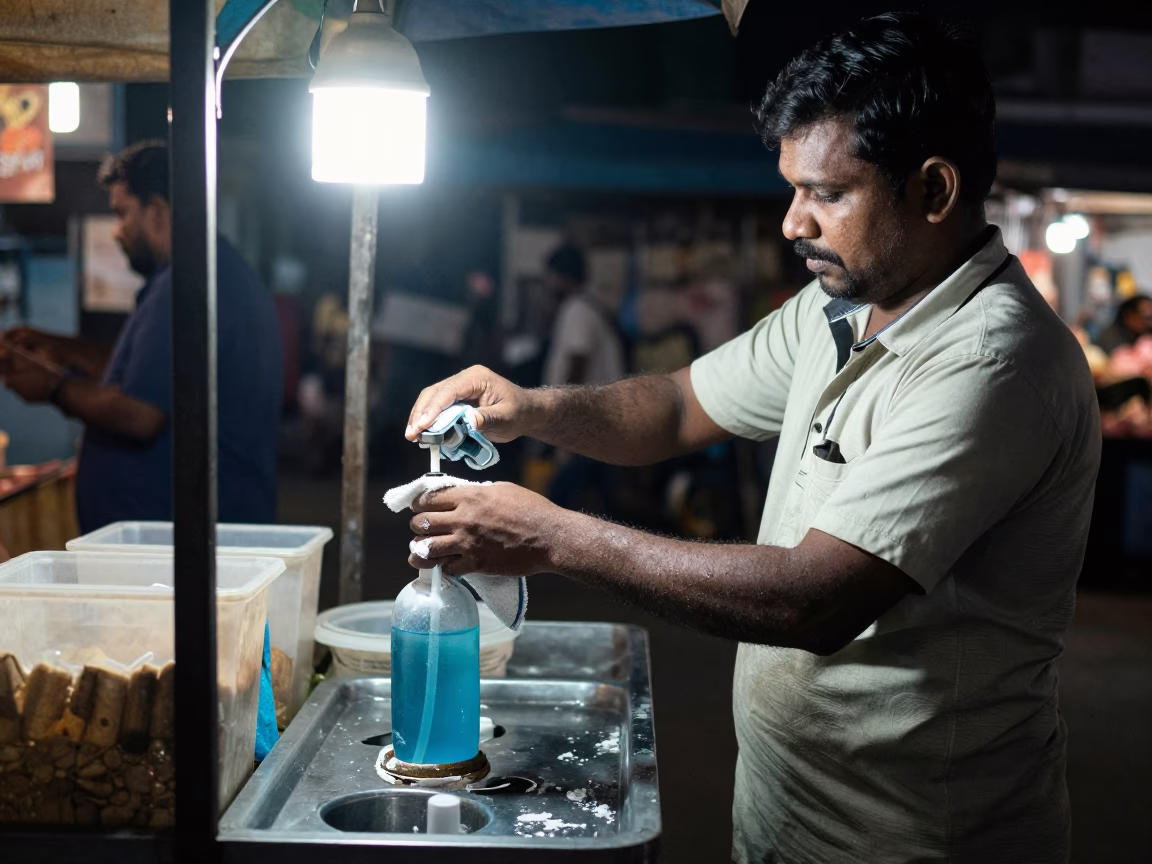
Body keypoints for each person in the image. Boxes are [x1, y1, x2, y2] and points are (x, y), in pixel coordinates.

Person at [402, 14, 1099, 864]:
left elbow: (811, 599)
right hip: (785, 812)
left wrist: (550, 537)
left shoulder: (992, 365)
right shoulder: (836, 306)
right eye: (793, 190)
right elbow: (672, 407)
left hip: (915, 837)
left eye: (828, 194)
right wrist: (533, 408)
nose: (792, 224)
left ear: (933, 190)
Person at [0, 140, 283, 532]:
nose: (117, 232)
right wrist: (58, 349)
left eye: (122, 214)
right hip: (179, 533)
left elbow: (139, 412)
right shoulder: (206, 272)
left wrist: (52, 387)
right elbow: (147, 378)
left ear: (157, 211)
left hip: (177, 543)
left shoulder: (187, 283)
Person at [540, 243, 627, 513]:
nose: (547, 283)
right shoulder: (590, 306)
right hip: (599, 418)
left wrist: (561, 415)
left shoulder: (577, 310)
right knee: (599, 493)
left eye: (550, 276)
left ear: (562, 277)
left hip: (587, 419)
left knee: (557, 497)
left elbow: (578, 362)